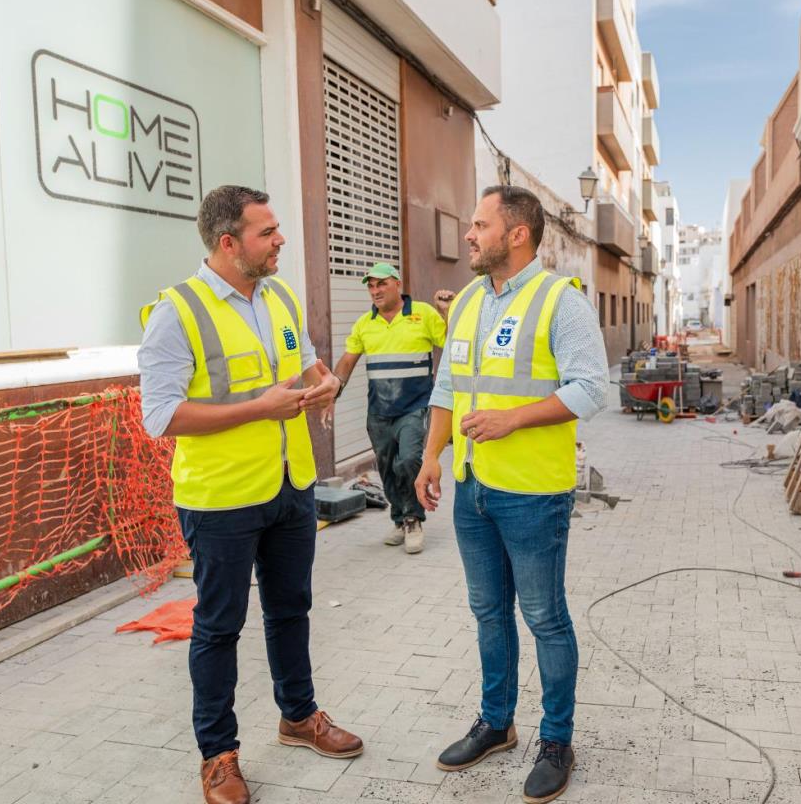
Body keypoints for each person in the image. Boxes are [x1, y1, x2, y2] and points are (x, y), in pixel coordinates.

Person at [138, 185, 363, 804]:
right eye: (268, 233)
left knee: (291, 608)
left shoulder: (279, 296)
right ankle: (218, 755)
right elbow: (159, 415)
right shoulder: (175, 311)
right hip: (220, 500)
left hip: (291, 485)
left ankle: (298, 717)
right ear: (228, 242)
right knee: (218, 626)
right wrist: (257, 408)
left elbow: (309, 362)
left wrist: (323, 388)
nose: (280, 241)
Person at [414, 185, 609, 804]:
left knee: (545, 618)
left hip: (531, 494)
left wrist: (514, 419)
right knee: (489, 613)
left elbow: (591, 389)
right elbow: (449, 383)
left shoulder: (561, 300)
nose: (469, 234)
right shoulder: (469, 299)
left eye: (479, 224)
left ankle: (556, 740)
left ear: (516, 233)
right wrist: (430, 458)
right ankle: (497, 723)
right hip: (472, 490)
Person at [330, 263, 453, 554]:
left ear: (397, 284)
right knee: (386, 468)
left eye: (381, 284)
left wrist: (446, 311)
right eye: (371, 286)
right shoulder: (364, 324)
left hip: (415, 406)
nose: (375, 291)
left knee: (409, 459)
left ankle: (413, 519)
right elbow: (347, 362)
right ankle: (399, 518)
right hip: (379, 411)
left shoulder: (422, 314)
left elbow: (451, 344)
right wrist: (332, 391)